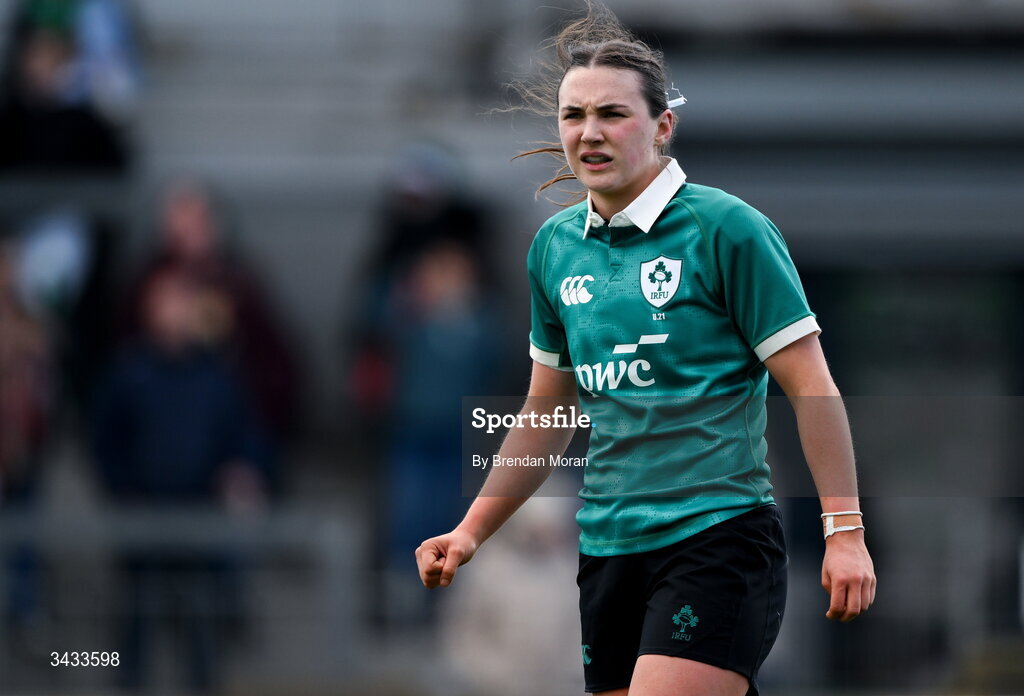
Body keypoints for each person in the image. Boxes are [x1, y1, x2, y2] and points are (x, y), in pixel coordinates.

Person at [415, 4, 876, 696]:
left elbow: (812, 384)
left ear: (663, 126)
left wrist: (844, 529)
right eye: (573, 116)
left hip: (715, 539)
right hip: (606, 550)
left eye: (612, 114)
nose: (589, 132)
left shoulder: (729, 230)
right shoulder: (555, 248)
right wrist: (474, 530)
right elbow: (548, 411)